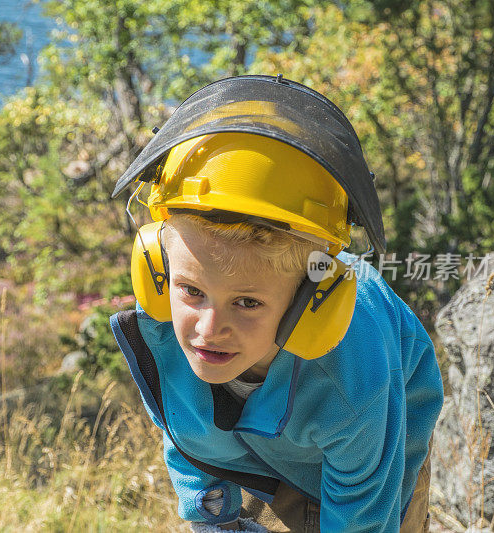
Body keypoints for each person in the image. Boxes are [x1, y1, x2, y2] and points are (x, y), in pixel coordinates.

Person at [109, 75, 443, 532]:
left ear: (311, 301)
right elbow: (188, 435)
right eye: (191, 291)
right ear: (157, 268)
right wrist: (214, 520)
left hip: (376, 459)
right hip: (259, 453)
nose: (207, 329)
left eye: (246, 302)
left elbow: (366, 508)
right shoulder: (164, 338)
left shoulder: (352, 386)